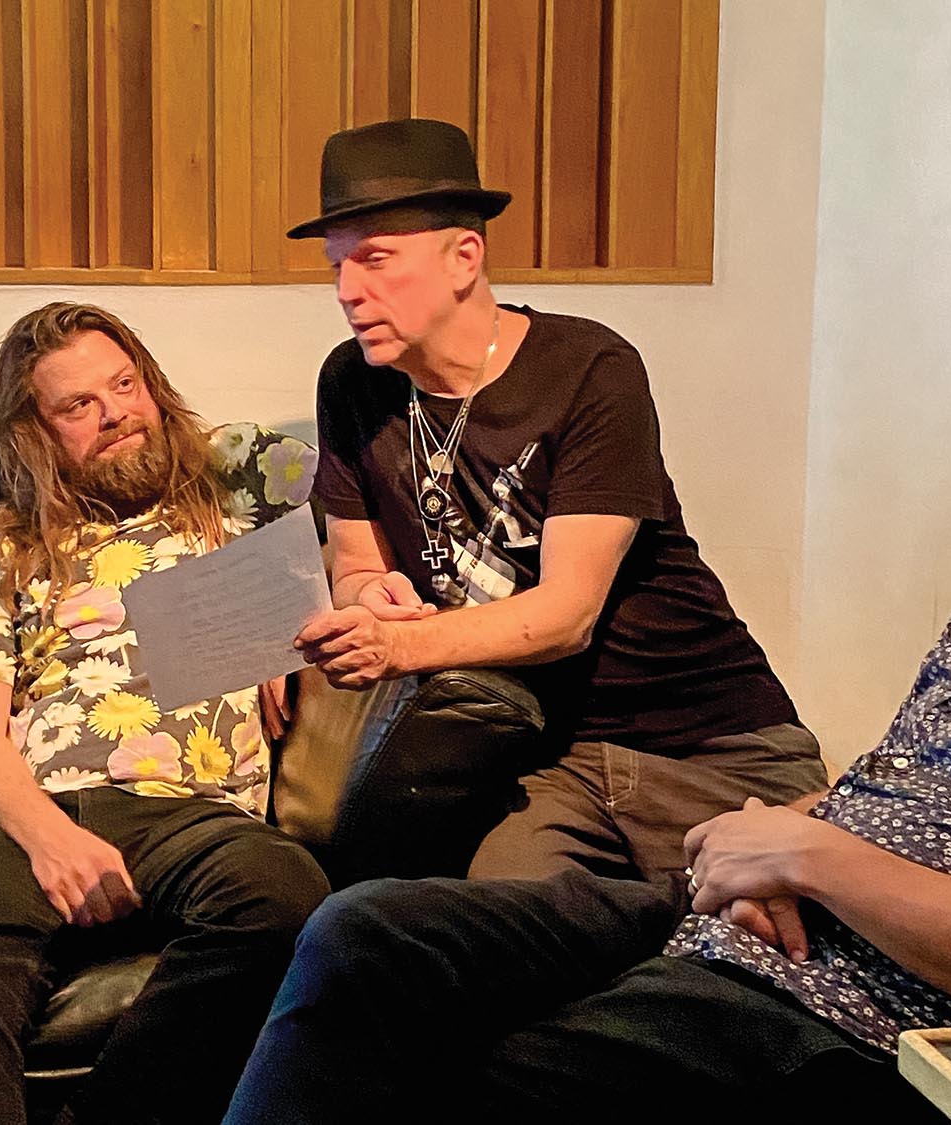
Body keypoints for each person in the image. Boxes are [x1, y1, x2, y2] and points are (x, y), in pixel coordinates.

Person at [225, 210, 951, 1122]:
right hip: (757, 919)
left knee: (471, 1079)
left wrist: (809, 859)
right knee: (371, 934)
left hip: (860, 1018)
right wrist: (761, 846)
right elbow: (896, 788)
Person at [288, 117, 826, 886]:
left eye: (375, 260)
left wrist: (397, 647)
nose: (347, 291)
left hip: (713, 746)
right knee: (487, 925)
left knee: (760, 930)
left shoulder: (588, 367)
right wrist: (369, 597)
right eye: (337, 265)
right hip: (551, 762)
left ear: (464, 256)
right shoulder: (351, 383)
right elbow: (355, 567)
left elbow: (566, 614)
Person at [0, 302, 331, 1125]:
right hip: (35, 805)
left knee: (288, 899)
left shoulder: (231, 500)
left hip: (196, 813)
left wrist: (296, 612)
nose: (115, 414)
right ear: (36, 432)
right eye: (79, 405)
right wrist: (48, 836)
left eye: (125, 385)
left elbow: (349, 498)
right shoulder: (2, 537)